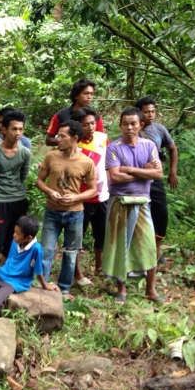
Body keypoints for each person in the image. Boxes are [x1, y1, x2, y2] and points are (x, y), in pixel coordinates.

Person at [103, 107, 163, 303]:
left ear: (141, 125)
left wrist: (128, 169)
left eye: (133, 123)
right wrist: (142, 171)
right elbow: (115, 176)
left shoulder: (149, 145)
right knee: (121, 246)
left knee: (148, 245)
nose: (129, 127)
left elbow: (158, 173)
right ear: (120, 125)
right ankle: (121, 288)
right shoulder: (113, 147)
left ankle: (151, 289)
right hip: (119, 202)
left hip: (143, 201)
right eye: (125, 124)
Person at [36, 120, 97, 298]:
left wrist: (76, 197)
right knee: (46, 250)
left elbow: (94, 189)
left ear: (74, 138)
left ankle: (63, 289)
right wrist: (49, 191)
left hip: (75, 213)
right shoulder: (51, 156)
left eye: (62, 136)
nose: (57, 139)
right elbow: (39, 180)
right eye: (58, 135)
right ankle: (43, 286)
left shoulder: (86, 162)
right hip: (52, 211)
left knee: (70, 253)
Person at [0, 215, 57, 316]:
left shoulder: (36, 249)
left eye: (17, 234)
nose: (14, 235)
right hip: (0, 274)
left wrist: (45, 285)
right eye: (14, 232)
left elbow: (38, 271)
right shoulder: (15, 241)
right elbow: (10, 260)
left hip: (15, 282)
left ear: (28, 238)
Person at [136, 96, 178, 263]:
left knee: (160, 212)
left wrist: (173, 171)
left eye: (153, 111)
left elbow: (172, 149)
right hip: (137, 179)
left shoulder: (159, 129)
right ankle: (140, 251)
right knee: (139, 213)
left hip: (155, 178)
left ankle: (157, 249)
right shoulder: (133, 128)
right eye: (146, 112)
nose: (150, 115)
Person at [73, 107, 110, 286]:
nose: (90, 127)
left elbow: (107, 163)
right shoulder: (74, 144)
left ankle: (99, 267)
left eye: (93, 123)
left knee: (101, 233)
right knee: (78, 235)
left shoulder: (102, 138)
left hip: (102, 194)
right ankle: (77, 272)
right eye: (86, 124)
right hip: (81, 197)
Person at [0, 109, 31, 263]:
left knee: (15, 236)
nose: (18, 133)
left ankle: (8, 264)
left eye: (20, 129)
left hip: (18, 199)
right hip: (0, 199)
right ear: (4, 130)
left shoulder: (25, 152)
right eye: (14, 129)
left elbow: (23, 176)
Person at [45, 79, 105, 146]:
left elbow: (101, 139)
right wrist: (65, 140)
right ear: (76, 95)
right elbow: (48, 140)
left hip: (89, 154)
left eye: (91, 94)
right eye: (86, 93)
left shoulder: (95, 116)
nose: (89, 97)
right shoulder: (60, 115)